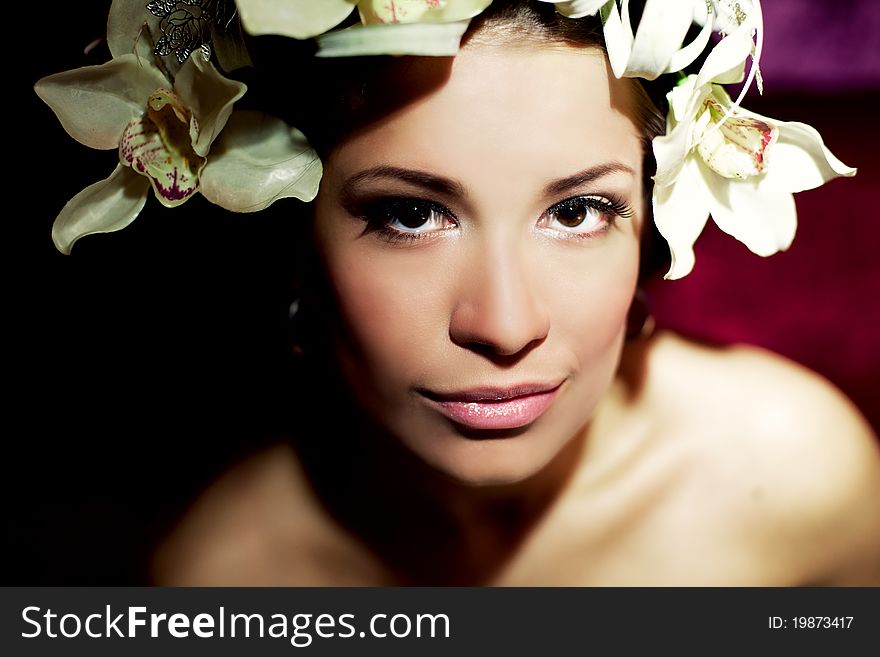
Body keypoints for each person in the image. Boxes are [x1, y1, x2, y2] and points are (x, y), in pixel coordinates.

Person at [35, 0, 880, 585]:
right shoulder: (219, 575)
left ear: (654, 216)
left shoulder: (804, 481)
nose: (506, 324)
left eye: (579, 209)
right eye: (409, 213)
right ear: (288, 231)